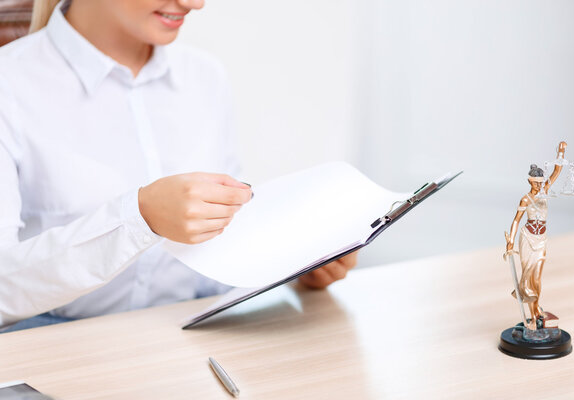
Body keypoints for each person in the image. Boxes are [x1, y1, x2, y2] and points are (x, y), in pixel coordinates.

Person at [0, 0, 357, 332]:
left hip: (188, 340)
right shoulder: (11, 86)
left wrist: (294, 265)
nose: (194, 3)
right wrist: (139, 218)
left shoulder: (204, 77)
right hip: (55, 349)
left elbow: (217, 249)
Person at [505, 141, 567, 328]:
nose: (539, 186)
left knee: (537, 277)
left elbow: (556, 172)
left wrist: (561, 153)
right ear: (530, 181)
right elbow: (517, 220)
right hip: (528, 239)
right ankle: (533, 316)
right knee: (529, 276)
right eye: (535, 183)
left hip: (541, 240)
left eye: (541, 183)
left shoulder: (545, 191)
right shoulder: (526, 198)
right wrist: (511, 243)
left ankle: (536, 307)